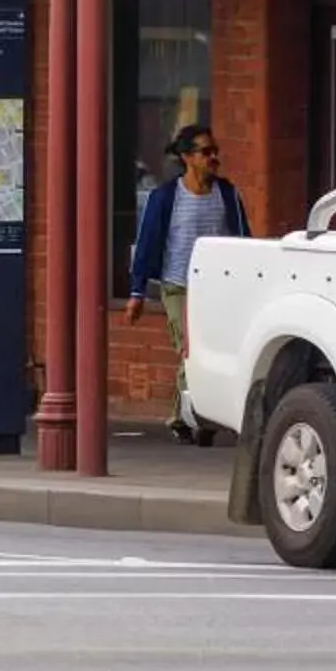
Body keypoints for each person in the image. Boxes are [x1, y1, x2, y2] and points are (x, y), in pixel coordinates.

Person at [128, 121, 252, 441]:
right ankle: (194, 416)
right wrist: (136, 291)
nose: (213, 157)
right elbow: (147, 243)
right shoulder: (166, 197)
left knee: (206, 352)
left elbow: (242, 237)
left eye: (215, 151)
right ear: (186, 157)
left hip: (218, 289)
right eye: (205, 152)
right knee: (189, 351)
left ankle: (186, 416)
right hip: (178, 286)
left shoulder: (227, 193)